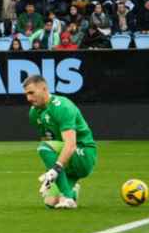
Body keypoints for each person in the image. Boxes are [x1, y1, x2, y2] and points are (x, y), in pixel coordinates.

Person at [23, 75, 97, 209]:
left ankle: (68, 197)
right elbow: (50, 141)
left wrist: (55, 169)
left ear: (44, 89)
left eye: (31, 93)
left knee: (43, 148)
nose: (28, 98)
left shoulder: (62, 107)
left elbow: (70, 145)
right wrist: (50, 172)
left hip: (84, 153)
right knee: (50, 202)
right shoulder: (34, 113)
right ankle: (72, 189)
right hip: (66, 158)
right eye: (26, 94)